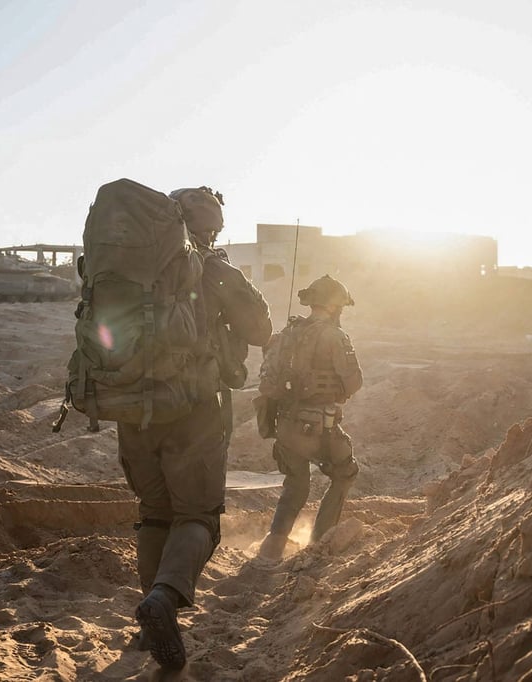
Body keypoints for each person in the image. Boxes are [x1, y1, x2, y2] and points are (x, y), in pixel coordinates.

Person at [124, 185, 271, 669]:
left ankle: (148, 625)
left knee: (154, 513)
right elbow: (261, 330)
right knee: (199, 517)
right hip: (194, 409)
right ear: (212, 227)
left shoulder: (132, 265)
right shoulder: (211, 267)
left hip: (133, 408)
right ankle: (164, 599)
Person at [256, 274, 363, 563]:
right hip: (318, 427)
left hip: (284, 425)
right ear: (335, 306)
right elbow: (354, 382)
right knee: (345, 473)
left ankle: (272, 548)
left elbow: (267, 383)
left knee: (296, 484)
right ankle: (320, 545)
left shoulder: (287, 333)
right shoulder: (335, 336)